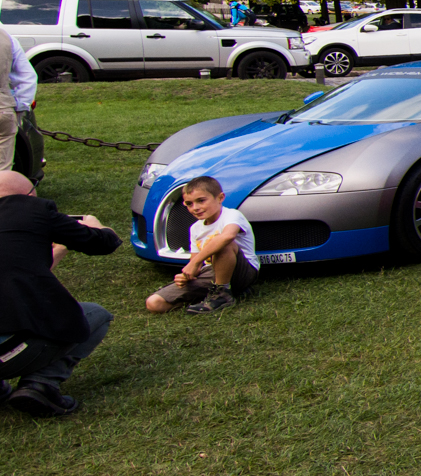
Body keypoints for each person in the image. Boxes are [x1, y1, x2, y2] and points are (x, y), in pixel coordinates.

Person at [0, 170, 119, 416]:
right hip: (10, 351)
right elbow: (103, 244)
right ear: (29, 194)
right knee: (94, 315)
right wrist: (99, 227)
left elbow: (16, 267)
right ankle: (41, 384)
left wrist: (60, 250)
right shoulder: (34, 210)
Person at [146, 175, 259, 315]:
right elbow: (196, 266)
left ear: (220, 198)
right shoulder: (195, 229)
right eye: (189, 204)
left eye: (201, 201)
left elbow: (227, 236)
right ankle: (214, 296)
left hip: (242, 271)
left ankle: (223, 294)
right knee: (154, 303)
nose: (195, 208)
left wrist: (196, 262)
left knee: (222, 243)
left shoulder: (232, 215)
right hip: (210, 274)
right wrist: (186, 275)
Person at [0, 17, 35, 173]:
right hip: (3, 109)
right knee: (2, 172)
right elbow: (26, 77)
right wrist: (19, 109)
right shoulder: (6, 37)